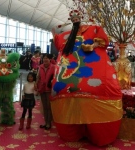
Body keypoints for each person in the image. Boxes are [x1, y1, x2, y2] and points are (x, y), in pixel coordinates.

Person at [51, 10, 122, 146]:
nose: (75, 19)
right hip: (69, 83)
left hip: (85, 81)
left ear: (81, 18)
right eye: (73, 18)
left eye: (77, 17)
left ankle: (97, 135)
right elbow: (56, 37)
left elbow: (102, 41)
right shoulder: (66, 37)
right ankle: (77, 133)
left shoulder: (94, 29)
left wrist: (92, 46)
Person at [35, 53, 55, 130]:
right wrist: (36, 85)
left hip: (50, 90)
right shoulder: (41, 67)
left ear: (50, 59)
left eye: (46, 58)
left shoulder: (53, 67)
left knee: (49, 107)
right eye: (44, 58)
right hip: (42, 89)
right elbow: (38, 77)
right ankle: (46, 122)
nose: (45, 59)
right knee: (44, 107)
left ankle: (49, 123)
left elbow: (55, 77)